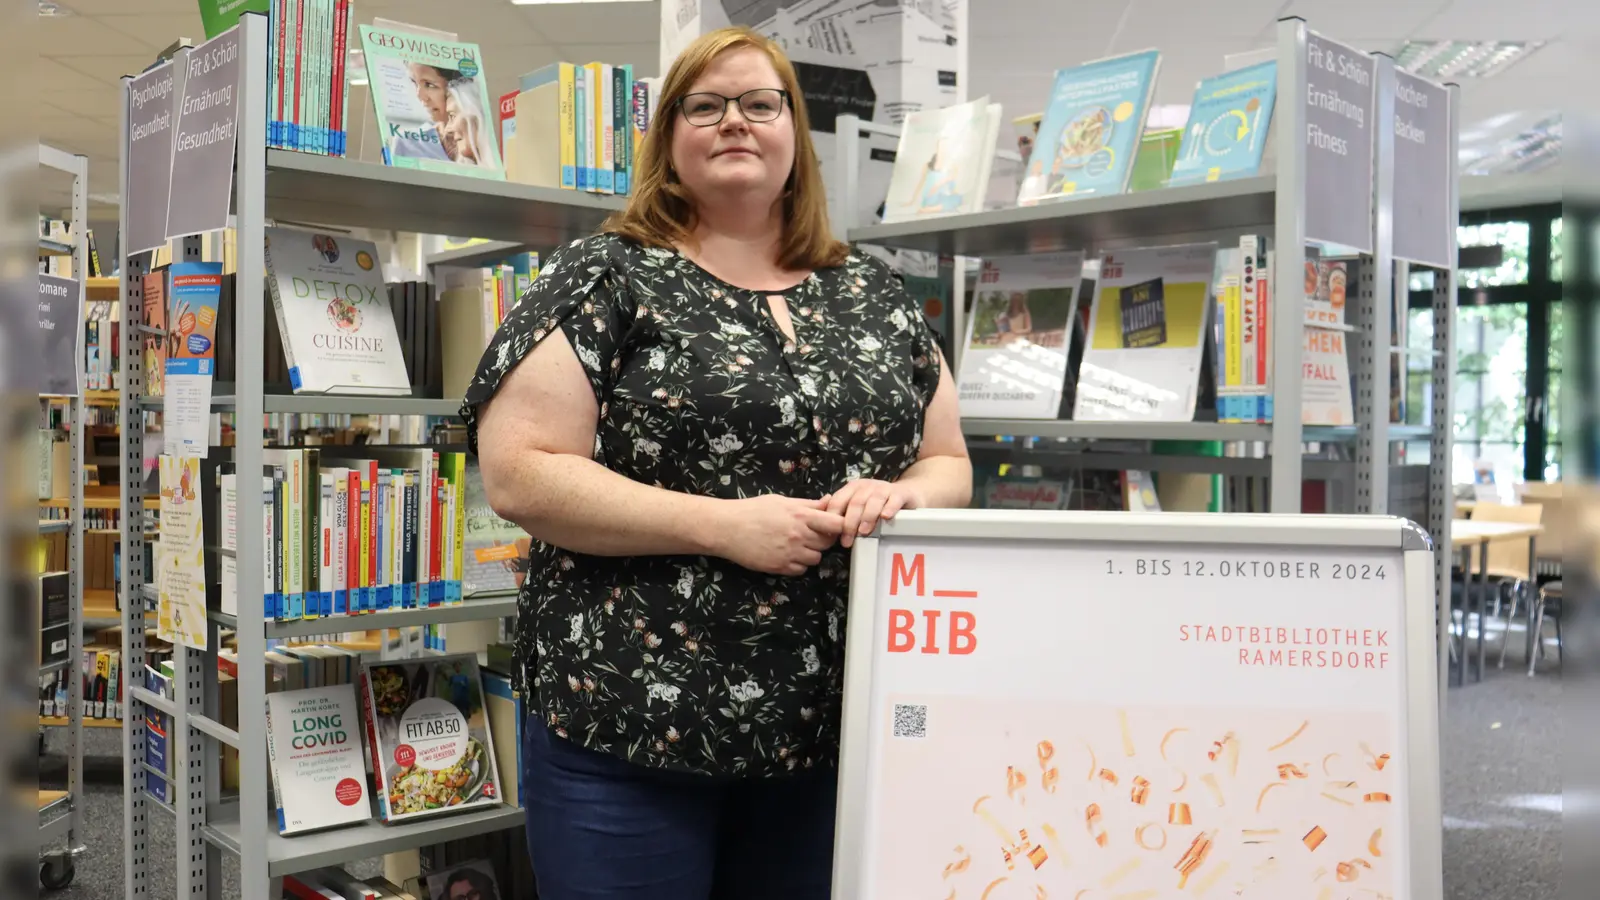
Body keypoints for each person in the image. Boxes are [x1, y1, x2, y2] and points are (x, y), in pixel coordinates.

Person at [461, 24, 971, 900]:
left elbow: (949, 462)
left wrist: (900, 497)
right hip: (628, 730)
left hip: (834, 734)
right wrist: (723, 526)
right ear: (670, 140)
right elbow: (521, 472)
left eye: (760, 104)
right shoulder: (603, 275)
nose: (735, 121)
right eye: (706, 105)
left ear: (793, 135)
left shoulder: (873, 291)